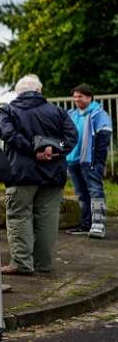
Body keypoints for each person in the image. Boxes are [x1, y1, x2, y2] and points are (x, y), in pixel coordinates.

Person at [0, 75, 78, 274]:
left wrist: (34, 150)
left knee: (18, 216)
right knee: (48, 218)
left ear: (18, 92)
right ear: (39, 91)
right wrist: (53, 150)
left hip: (21, 173)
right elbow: (71, 137)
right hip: (53, 174)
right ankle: (43, 264)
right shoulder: (57, 111)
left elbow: (8, 135)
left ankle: (22, 264)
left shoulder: (7, 110)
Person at [65, 84, 113, 239]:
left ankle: (98, 225)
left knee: (95, 192)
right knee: (81, 194)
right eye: (75, 96)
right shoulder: (71, 114)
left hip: (90, 161)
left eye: (80, 96)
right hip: (73, 160)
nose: (77, 99)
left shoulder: (99, 114)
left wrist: (97, 161)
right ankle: (86, 225)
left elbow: (104, 137)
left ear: (89, 97)